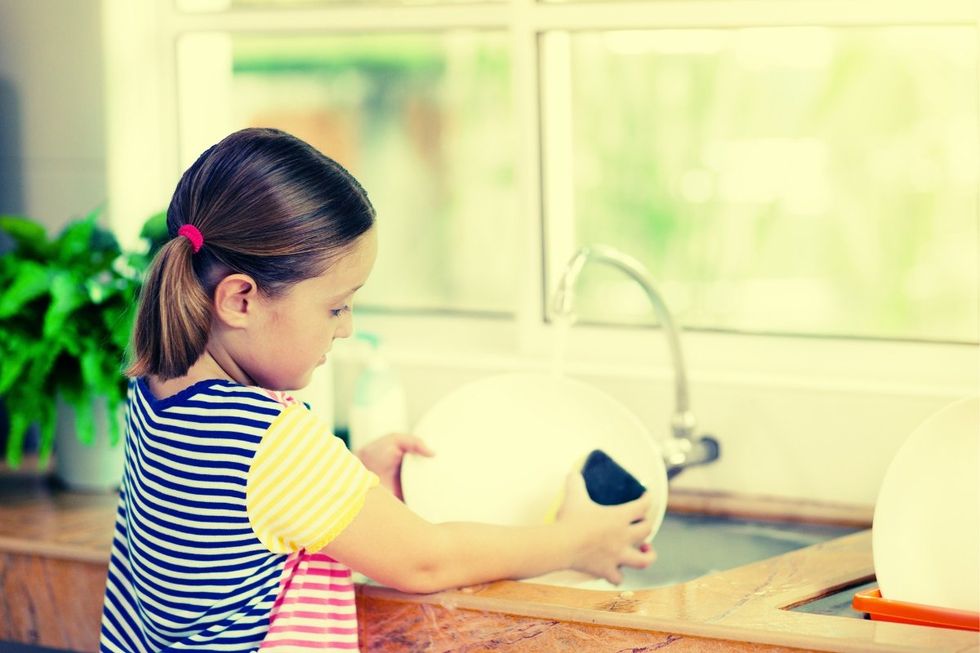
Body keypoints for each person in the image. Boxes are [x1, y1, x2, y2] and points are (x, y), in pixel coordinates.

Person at [99, 127, 655, 652]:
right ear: (240, 299)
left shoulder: (155, 390)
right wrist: (575, 542)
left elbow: (236, 527)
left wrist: (349, 481)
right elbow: (426, 560)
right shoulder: (270, 439)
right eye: (336, 306)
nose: (344, 327)